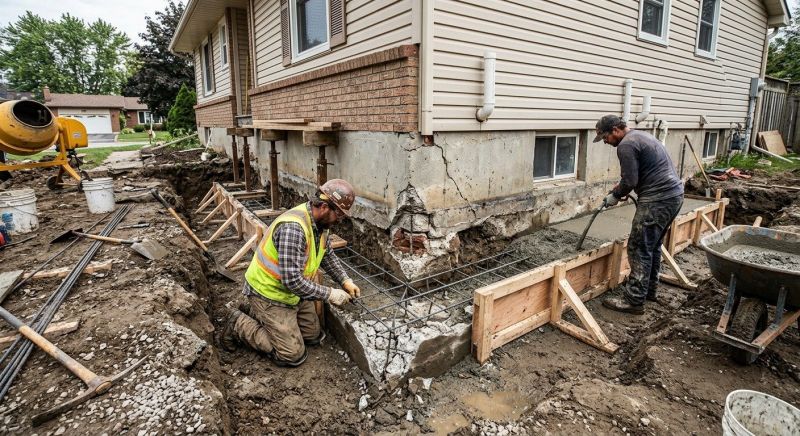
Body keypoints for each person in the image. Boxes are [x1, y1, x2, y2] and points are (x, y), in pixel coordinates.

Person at [220, 178, 362, 366]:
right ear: (325, 207)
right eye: (339, 215)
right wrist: (330, 294)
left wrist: (345, 280)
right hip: (269, 293)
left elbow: (327, 255)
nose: (340, 220)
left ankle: (259, 315)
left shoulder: (320, 225)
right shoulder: (294, 229)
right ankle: (237, 323)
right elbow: (292, 281)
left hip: (293, 295)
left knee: (313, 336)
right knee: (293, 354)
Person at [594, 115, 684, 315]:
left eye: (605, 137)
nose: (606, 142)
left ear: (616, 130)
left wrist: (615, 195)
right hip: (673, 196)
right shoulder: (641, 137)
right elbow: (633, 177)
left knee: (638, 246)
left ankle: (634, 300)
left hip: (657, 200)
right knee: (652, 245)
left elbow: (630, 181)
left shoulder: (625, 146)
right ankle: (648, 290)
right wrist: (622, 188)